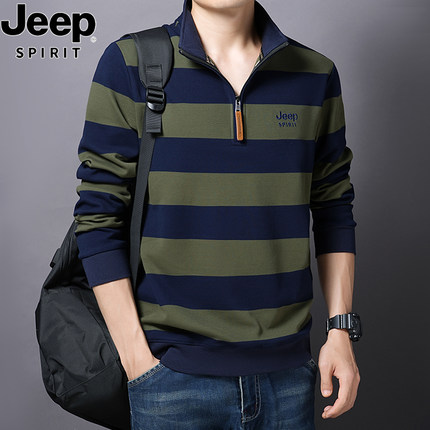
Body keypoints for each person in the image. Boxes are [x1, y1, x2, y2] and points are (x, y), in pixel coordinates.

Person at [73, 0, 360, 428]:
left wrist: (340, 330)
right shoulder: (130, 63)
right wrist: (137, 360)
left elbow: (333, 206)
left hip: (288, 378)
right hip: (168, 378)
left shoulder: (315, 75)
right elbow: (98, 216)